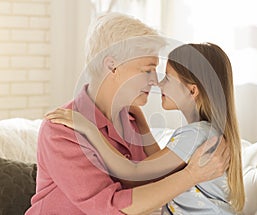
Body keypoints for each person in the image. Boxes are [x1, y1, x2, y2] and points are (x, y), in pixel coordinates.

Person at [26, 12, 230, 215]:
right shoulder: (62, 129)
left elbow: (153, 183)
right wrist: (191, 175)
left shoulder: (133, 122)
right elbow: (110, 207)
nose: (154, 81)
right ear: (112, 66)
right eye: (147, 70)